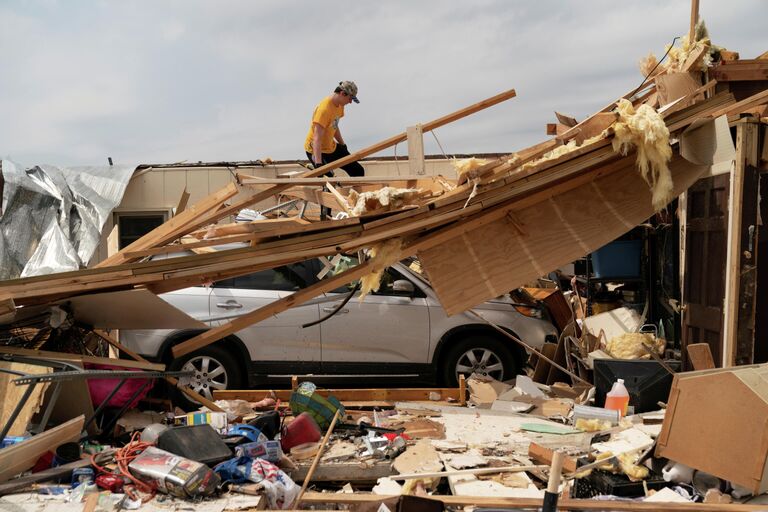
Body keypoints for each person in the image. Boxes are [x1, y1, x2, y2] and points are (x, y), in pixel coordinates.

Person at [304, 81, 365, 177]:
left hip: (330, 147)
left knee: (358, 171)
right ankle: (316, 165)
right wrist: (319, 164)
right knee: (329, 178)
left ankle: (355, 191)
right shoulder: (324, 110)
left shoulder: (340, 106)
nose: (350, 102)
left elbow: (334, 126)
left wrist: (342, 145)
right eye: (350, 98)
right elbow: (317, 138)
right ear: (342, 93)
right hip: (316, 150)